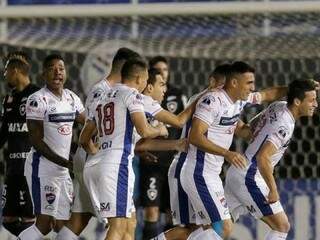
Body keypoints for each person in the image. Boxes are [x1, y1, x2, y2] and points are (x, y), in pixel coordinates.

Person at [56, 47, 141, 240]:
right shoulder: (103, 92)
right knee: (119, 223)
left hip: (91, 158)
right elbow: (93, 130)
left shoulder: (105, 90)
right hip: (97, 159)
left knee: (80, 219)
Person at [80, 58, 168, 240]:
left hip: (97, 165)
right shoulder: (131, 95)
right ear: (138, 79)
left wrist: (98, 153)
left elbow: (83, 139)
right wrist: (160, 129)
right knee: (118, 227)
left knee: (130, 224)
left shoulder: (103, 96)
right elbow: (145, 130)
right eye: (145, 80)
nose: (145, 85)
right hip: (116, 166)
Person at [225, 79, 317, 240]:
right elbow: (263, 157)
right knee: (282, 226)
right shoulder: (284, 125)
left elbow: (250, 131)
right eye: (311, 100)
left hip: (237, 172)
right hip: (250, 176)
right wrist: (273, 189)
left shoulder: (278, 106)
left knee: (221, 229)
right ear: (297, 101)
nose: (315, 104)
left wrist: (226, 115)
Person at [17, 54, 86, 239]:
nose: (57, 73)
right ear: (43, 74)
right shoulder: (37, 100)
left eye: (61, 69)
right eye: (52, 69)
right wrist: (67, 163)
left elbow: (89, 124)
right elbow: (37, 142)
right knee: (44, 224)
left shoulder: (72, 98)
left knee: (62, 224)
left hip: (62, 170)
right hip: (43, 169)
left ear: (66, 72)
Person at [140, 56, 187, 239]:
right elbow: (176, 121)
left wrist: (177, 145)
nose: (163, 75)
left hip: (172, 164)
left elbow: (182, 124)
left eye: (165, 70)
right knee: (150, 213)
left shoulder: (176, 94)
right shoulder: (141, 101)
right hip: (151, 164)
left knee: (172, 215)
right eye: (158, 71)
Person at [0, 52, 39, 236]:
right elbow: (3, 133)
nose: (4, 74)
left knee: (30, 219)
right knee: (8, 218)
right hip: (12, 169)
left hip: (31, 169)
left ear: (15, 70)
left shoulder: (38, 95)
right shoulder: (8, 100)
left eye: (6, 70)